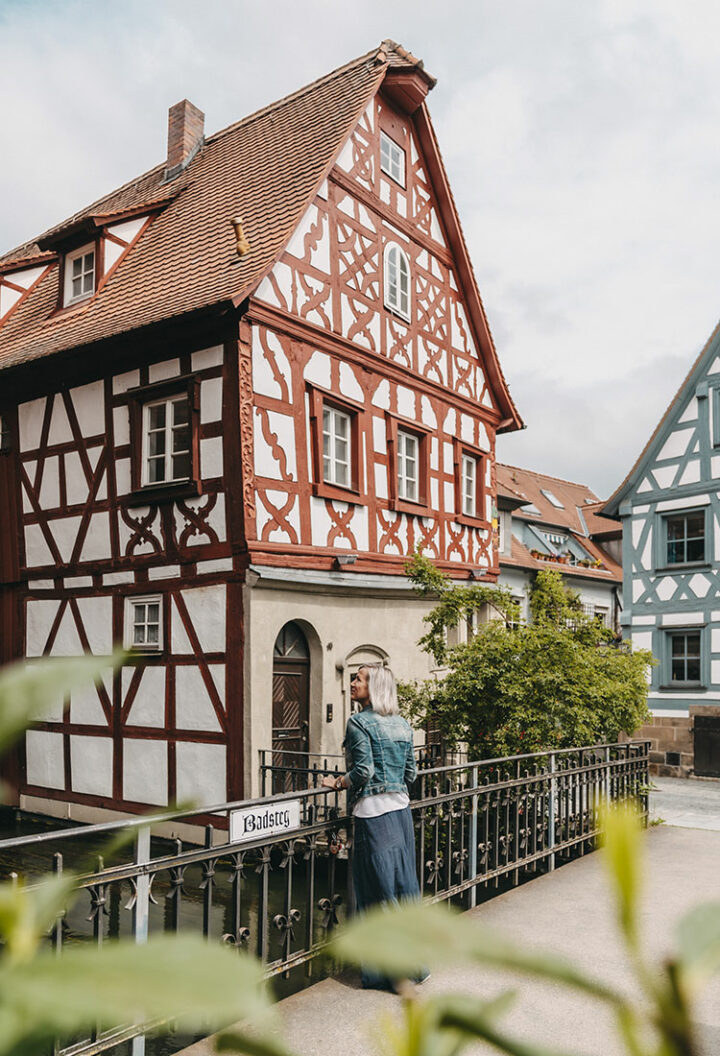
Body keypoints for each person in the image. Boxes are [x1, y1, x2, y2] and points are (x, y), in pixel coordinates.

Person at [321, 664, 424, 990]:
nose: (352, 683)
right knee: (403, 888)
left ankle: (394, 973)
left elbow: (363, 771)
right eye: (353, 678)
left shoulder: (358, 722)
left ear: (374, 687)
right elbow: (411, 776)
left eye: (359, 679)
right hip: (401, 813)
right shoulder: (403, 724)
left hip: (373, 815)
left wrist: (338, 781)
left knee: (377, 893)